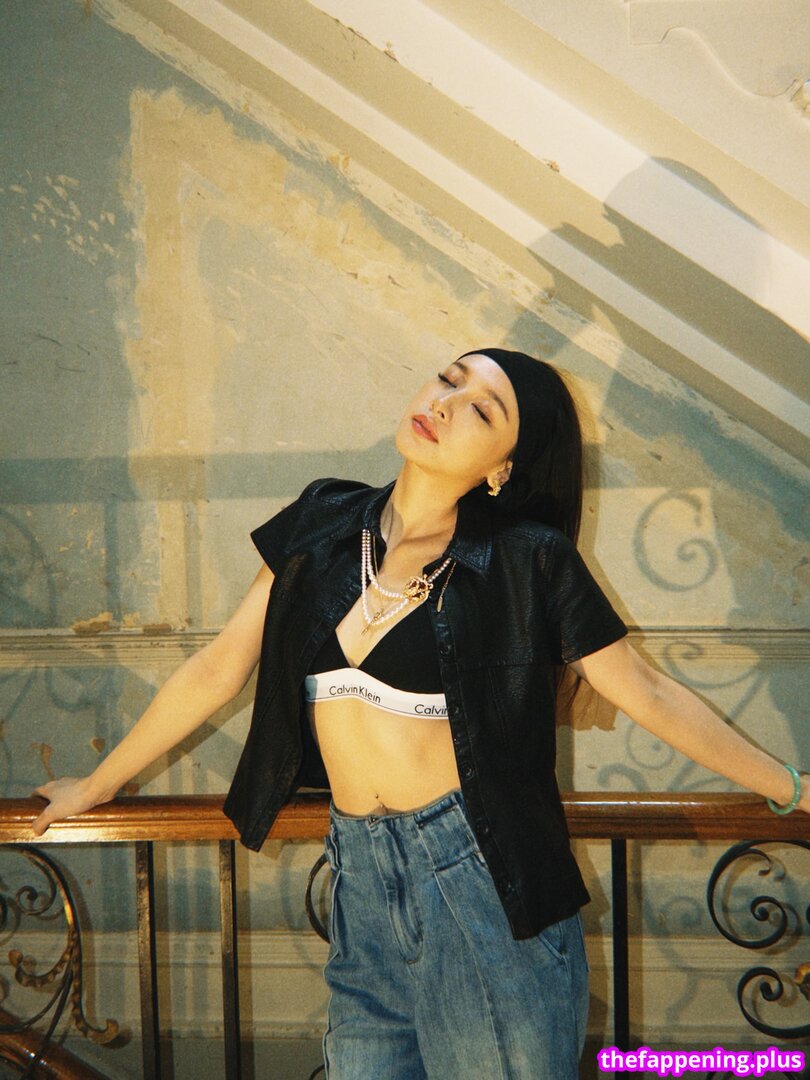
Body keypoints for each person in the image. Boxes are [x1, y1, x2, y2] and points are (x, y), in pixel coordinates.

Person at [30, 349, 809, 1079]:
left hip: (481, 883)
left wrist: (790, 788)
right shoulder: (325, 520)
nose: (445, 402)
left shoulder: (529, 558)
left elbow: (649, 693)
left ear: (502, 468)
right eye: (448, 379)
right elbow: (217, 667)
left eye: (483, 409)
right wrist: (100, 784)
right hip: (360, 881)